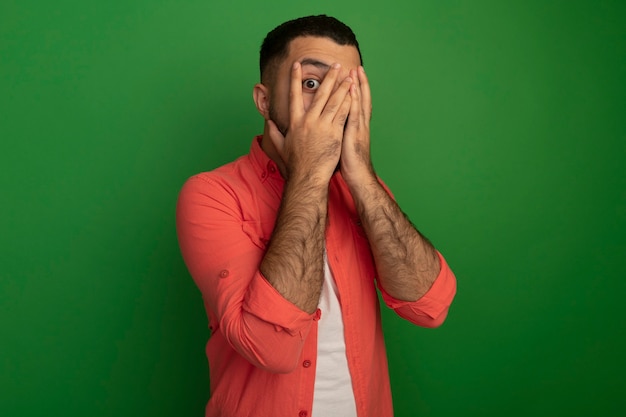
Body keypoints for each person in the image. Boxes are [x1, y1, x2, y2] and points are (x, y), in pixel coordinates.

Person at [176, 15, 457, 417]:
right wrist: (309, 173)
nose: (333, 102)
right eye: (311, 83)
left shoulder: (364, 191)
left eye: (347, 87)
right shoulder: (212, 194)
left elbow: (430, 307)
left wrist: (360, 172)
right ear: (263, 100)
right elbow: (270, 348)